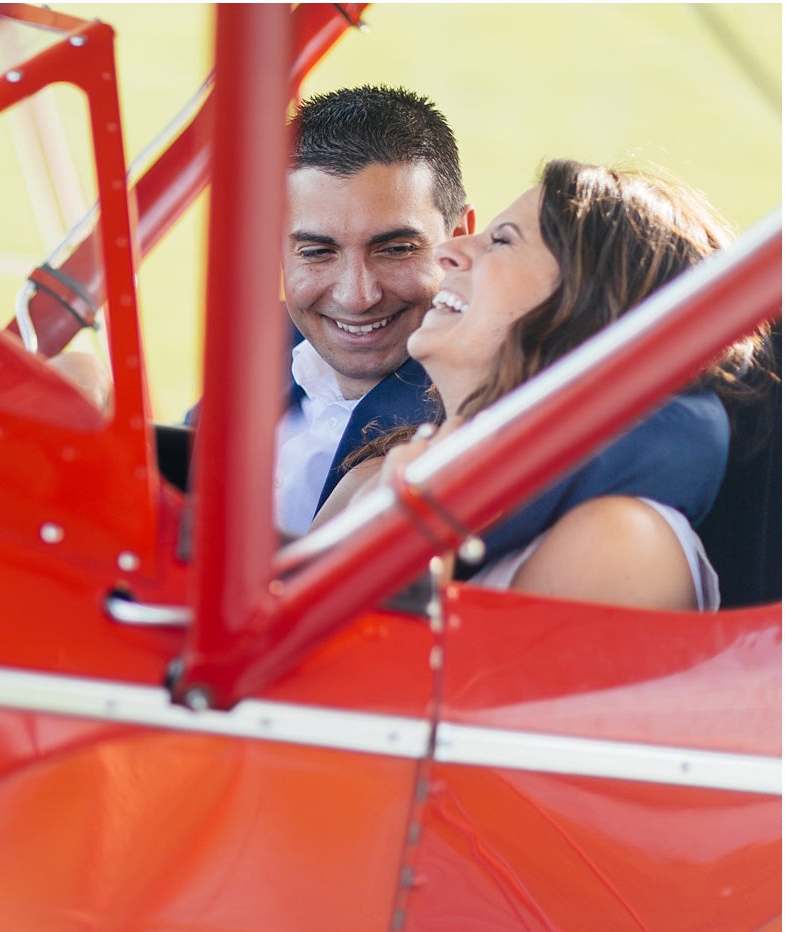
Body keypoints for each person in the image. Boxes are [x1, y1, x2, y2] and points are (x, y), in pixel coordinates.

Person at [315, 159, 773, 611]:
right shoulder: (373, 474)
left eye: (501, 241)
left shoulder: (618, 541)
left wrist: (408, 537)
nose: (446, 252)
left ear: (588, 312)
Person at [267, 86, 475, 535]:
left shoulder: (472, 418)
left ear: (460, 235)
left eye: (396, 249)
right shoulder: (260, 343)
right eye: (318, 252)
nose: (358, 296)